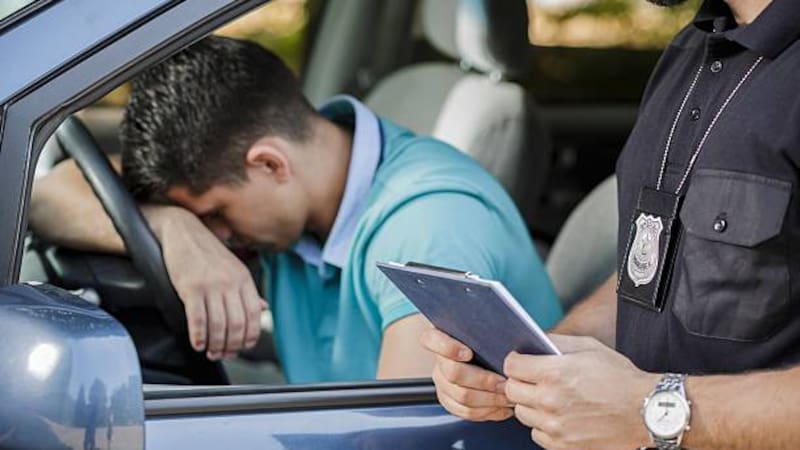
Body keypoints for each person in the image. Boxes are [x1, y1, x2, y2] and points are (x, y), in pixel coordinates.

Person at [29, 36, 563, 384]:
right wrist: (173, 228)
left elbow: (397, 436)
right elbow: (48, 197)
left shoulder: (428, 227)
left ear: (269, 164)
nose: (215, 235)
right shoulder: (301, 193)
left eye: (215, 213)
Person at [421, 0, 800, 448]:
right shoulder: (693, 47)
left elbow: (646, 407)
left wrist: (656, 409)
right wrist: (533, 362)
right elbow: (666, 270)